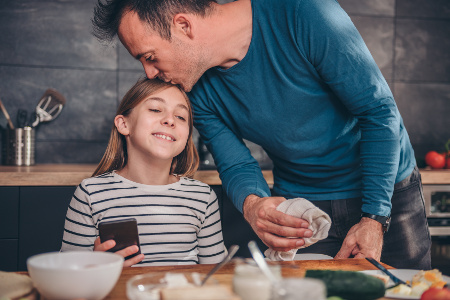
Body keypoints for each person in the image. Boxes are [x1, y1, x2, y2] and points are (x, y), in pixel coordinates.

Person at [91, 0, 431, 269]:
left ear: (183, 25)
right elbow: (236, 163)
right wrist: (253, 205)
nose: (151, 73)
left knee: (406, 292)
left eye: (149, 57)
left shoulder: (303, 11)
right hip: (302, 204)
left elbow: (378, 112)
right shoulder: (195, 90)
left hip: (385, 191)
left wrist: (374, 217)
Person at [61, 77, 226, 267]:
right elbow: (67, 279)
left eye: (181, 117)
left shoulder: (203, 198)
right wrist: (94, 268)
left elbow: (215, 276)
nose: (170, 120)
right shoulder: (90, 194)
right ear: (124, 124)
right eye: (155, 109)